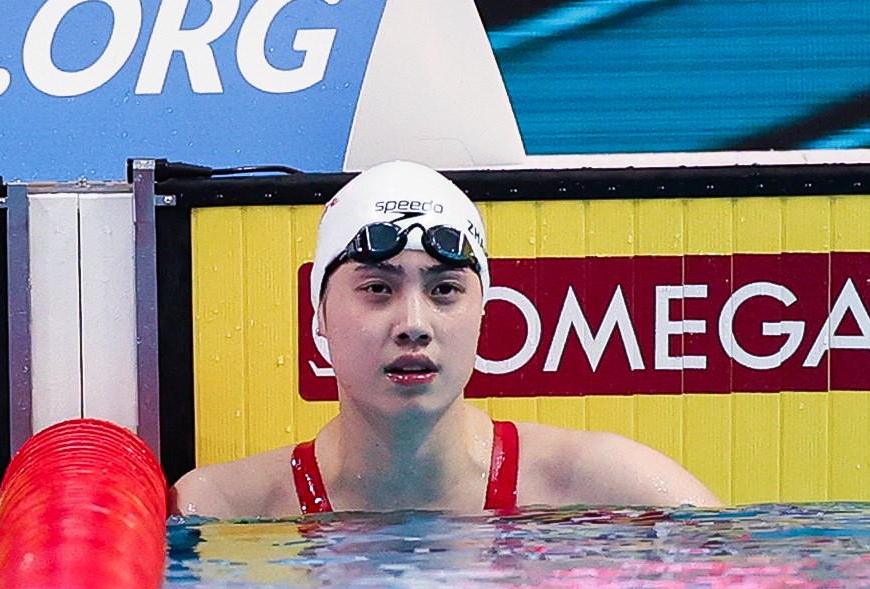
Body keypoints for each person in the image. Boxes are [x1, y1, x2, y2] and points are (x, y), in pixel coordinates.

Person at [169, 160, 719, 518]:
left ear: (483, 314)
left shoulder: (613, 489)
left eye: (445, 289)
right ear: (318, 316)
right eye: (378, 288)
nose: (413, 322)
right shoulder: (218, 509)